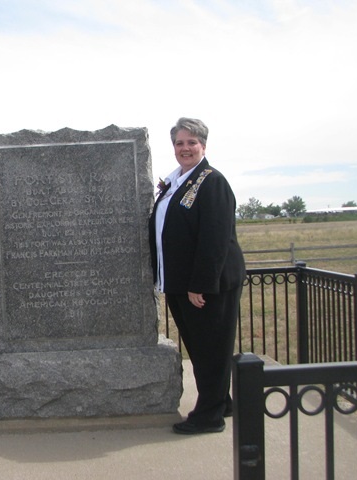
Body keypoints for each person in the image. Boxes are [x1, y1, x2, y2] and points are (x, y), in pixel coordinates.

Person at [149, 117, 246, 434]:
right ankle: (222, 402)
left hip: (205, 285)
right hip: (179, 282)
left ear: (203, 145)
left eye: (192, 142)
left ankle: (209, 416)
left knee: (210, 348)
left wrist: (200, 285)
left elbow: (215, 239)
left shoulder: (212, 181)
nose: (185, 148)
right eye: (179, 142)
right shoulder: (177, 180)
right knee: (202, 347)